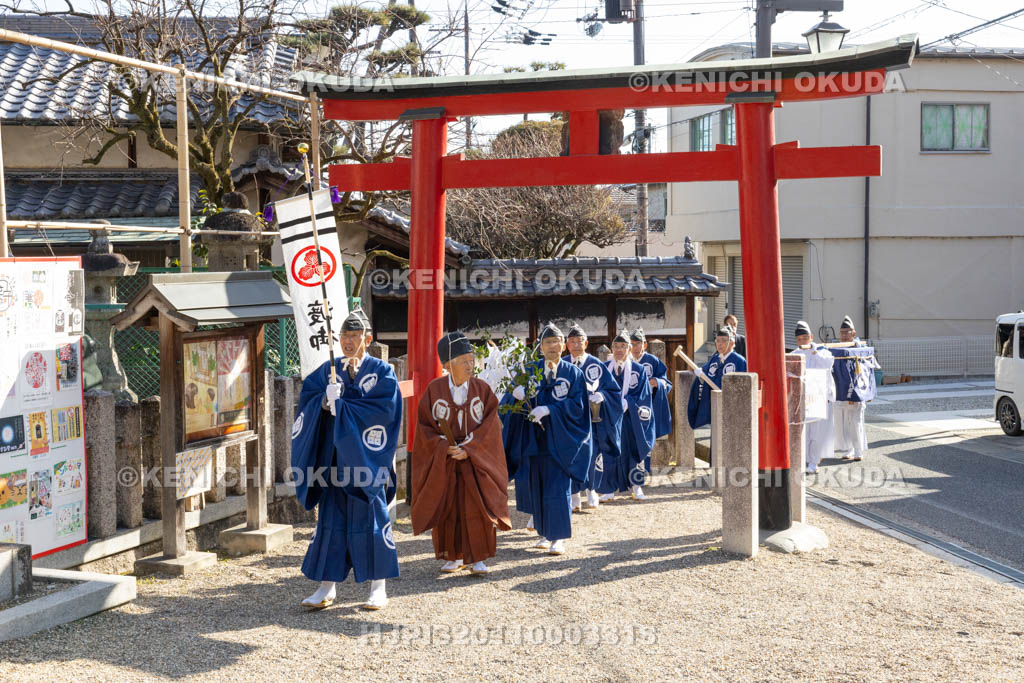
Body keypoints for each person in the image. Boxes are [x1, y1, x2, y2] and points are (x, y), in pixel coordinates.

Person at [291, 309, 402, 610]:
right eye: (343, 336)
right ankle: (327, 588)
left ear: (368, 339)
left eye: (354, 336)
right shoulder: (328, 371)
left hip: (367, 461)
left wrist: (345, 407)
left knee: (374, 521)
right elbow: (307, 401)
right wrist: (325, 401)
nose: (348, 342)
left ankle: (378, 588)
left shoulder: (382, 372)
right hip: (335, 462)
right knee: (331, 523)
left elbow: (384, 412)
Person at [411, 332, 511, 576]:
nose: (470, 365)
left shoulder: (482, 389)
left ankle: (478, 558)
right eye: (464, 361)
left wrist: (469, 449)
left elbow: (490, 427)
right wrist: (444, 447)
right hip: (445, 460)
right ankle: (453, 556)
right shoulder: (434, 390)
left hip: (475, 460)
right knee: (449, 508)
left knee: (476, 508)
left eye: (471, 360)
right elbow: (424, 428)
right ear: (447, 365)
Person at [505, 323, 591, 555]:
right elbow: (508, 402)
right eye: (548, 342)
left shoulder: (573, 373)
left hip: (560, 442)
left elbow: (578, 406)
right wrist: (515, 396)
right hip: (534, 442)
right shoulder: (529, 371)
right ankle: (543, 533)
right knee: (538, 488)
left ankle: (558, 537)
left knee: (557, 489)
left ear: (564, 346)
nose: (553, 346)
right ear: (540, 347)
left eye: (557, 342)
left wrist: (551, 410)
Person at [564, 323, 624, 510]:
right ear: (566, 344)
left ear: (586, 343)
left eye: (579, 341)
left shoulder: (596, 364)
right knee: (571, 455)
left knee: (592, 455)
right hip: (569, 420)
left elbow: (613, 389)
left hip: (593, 420)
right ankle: (574, 495)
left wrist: (602, 395)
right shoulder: (563, 364)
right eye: (572, 341)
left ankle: (591, 490)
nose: (575, 345)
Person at [599, 330, 655, 502]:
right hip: (610, 418)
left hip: (631, 419)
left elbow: (644, 395)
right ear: (611, 349)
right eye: (616, 346)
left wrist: (628, 403)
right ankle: (608, 489)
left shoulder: (638, 370)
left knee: (634, 452)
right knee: (608, 451)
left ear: (629, 349)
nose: (619, 350)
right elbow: (599, 390)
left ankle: (636, 487)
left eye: (623, 346)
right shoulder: (604, 369)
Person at [687, 326, 748, 465]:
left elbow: (742, 387)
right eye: (718, 341)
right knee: (716, 437)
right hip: (716, 405)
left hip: (731, 407)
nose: (720, 344)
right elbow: (705, 373)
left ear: (732, 343)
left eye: (723, 341)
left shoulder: (739, 361)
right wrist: (700, 376)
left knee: (729, 438)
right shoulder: (715, 359)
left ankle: (730, 467)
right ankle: (714, 468)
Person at [792, 320, 836, 474]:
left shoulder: (823, 351)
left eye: (804, 338)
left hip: (818, 397)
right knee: (802, 431)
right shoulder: (794, 354)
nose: (802, 342)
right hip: (800, 398)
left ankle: (813, 462)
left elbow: (828, 364)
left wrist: (814, 351)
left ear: (811, 337)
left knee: (816, 433)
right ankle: (802, 459)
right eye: (799, 339)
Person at [628, 328, 674, 477]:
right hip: (628, 406)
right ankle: (629, 471)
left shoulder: (652, 361)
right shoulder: (624, 360)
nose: (634, 347)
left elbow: (666, 382)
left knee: (646, 437)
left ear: (644, 345)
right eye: (631, 344)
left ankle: (643, 470)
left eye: (637, 344)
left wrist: (657, 383)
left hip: (648, 405)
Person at [832, 316, 877, 462]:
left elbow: (868, 368)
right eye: (842, 332)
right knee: (843, 422)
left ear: (854, 333)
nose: (844, 335)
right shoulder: (836, 350)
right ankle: (848, 449)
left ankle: (858, 450)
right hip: (841, 390)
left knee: (856, 421)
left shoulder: (861, 349)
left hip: (856, 391)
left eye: (847, 332)